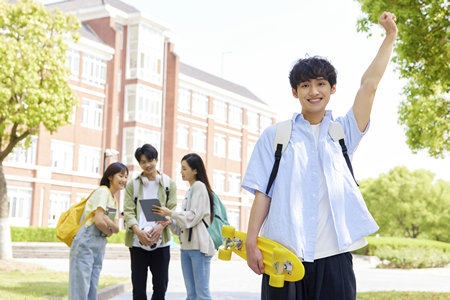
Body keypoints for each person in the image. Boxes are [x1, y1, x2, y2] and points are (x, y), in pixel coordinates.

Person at [242, 12, 398, 300]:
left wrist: (389, 37)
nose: (313, 91)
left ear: (332, 88)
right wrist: (252, 240)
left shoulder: (343, 133)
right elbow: (263, 193)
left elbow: (370, 86)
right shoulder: (276, 136)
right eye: (305, 85)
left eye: (321, 84)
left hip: (334, 257)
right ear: (295, 92)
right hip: (283, 255)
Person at [153, 153, 215, 300]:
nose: (181, 171)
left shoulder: (199, 186)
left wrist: (171, 213)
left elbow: (192, 217)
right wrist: (169, 221)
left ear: (195, 170)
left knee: (202, 295)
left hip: (198, 248)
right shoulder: (190, 190)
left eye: (184, 168)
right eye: (181, 168)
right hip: (186, 248)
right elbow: (184, 225)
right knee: (191, 295)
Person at [123, 144, 177, 300]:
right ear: (139, 164)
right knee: (138, 290)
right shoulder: (132, 185)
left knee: (160, 288)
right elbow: (128, 211)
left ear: (156, 159)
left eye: (150, 160)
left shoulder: (169, 184)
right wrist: (138, 231)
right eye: (143, 161)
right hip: (137, 241)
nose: (147, 165)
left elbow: (172, 210)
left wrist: (160, 227)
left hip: (162, 243)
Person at [69, 162, 127, 300]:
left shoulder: (113, 200)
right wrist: (109, 224)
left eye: (126, 176)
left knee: (92, 287)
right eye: (121, 175)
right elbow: (99, 221)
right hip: (86, 241)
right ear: (110, 177)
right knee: (80, 288)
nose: (124, 180)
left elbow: (117, 229)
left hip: (99, 244)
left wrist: (109, 225)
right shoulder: (103, 191)